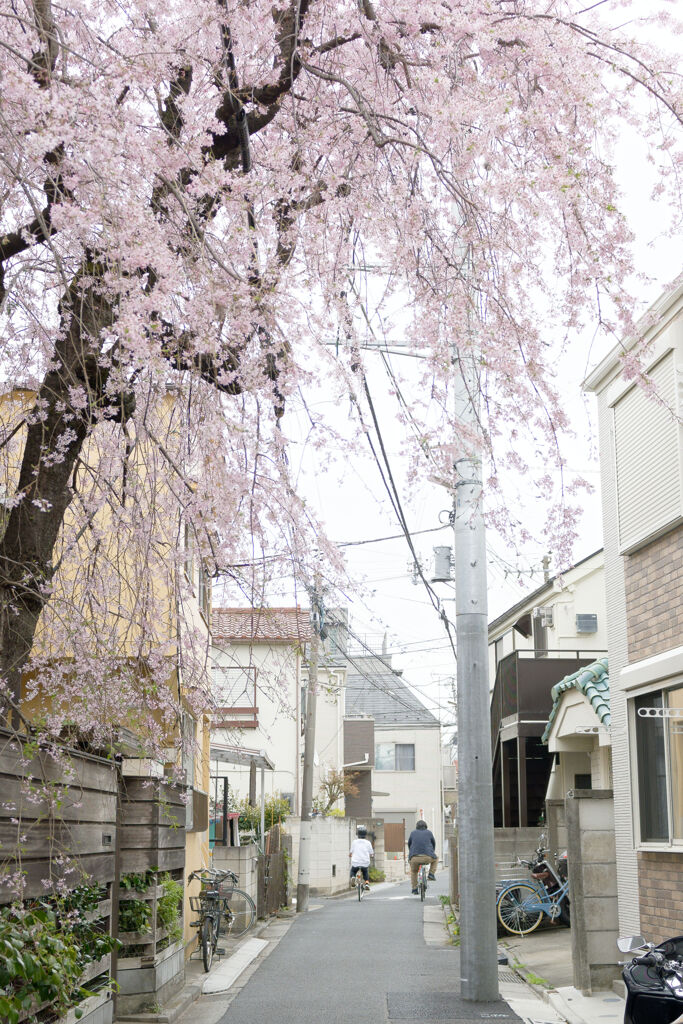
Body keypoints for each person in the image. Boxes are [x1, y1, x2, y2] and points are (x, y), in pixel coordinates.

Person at [407, 819, 438, 894]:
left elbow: (409, 844)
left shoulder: (413, 833)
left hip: (414, 858)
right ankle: (431, 874)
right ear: (425, 826)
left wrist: (411, 854)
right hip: (427, 856)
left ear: (417, 826)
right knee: (436, 859)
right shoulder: (429, 833)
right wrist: (432, 853)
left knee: (414, 872)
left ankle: (414, 889)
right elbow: (433, 843)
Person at [349, 824, 373, 890]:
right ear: (365, 834)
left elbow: (351, 852)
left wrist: (350, 855)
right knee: (365, 871)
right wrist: (371, 855)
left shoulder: (354, 842)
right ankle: (367, 883)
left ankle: (353, 877)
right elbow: (371, 853)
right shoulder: (368, 843)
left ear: (358, 834)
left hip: (355, 862)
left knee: (353, 871)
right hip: (365, 862)